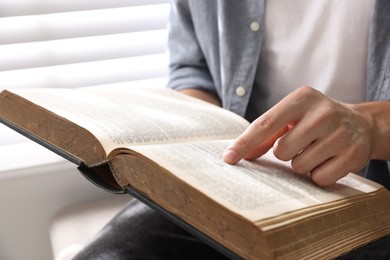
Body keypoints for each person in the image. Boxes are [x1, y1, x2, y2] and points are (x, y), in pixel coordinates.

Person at [74, 0, 390, 259]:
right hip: (236, 187)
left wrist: (372, 127)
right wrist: (193, 132)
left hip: (372, 208)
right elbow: (193, 66)